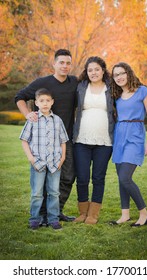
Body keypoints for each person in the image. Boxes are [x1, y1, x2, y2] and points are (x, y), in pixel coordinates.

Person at [15, 49, 78, 224]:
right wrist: (28, 114)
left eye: (68, 63)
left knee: (68, 176)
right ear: (54, 64)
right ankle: (41, 215)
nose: (65, 66)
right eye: (61, 63)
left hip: (66, 139)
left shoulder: (74, 82)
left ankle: (56, 212)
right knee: (42, 177)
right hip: (43, 143)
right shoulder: (42, 82)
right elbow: (20, 97)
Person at [110, 62, 147, 227]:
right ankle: (125, 215)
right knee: (121, 178)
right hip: (119, 136)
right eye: (116, 75)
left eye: (122, 73)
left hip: (135, 136)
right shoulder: (116, 96)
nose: (119, 77)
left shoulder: (142, 91)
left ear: (128, 73)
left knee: (125, 177)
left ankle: (144, 213)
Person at [73, 56, 115, 224]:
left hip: (104, 141)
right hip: (81, 140)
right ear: (86, 72)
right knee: (82, 177)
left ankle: (93, 215)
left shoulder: (111, 88)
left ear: (103, 70)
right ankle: (83, 212)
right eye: (90, 70)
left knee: (98, 177)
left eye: (97, 69)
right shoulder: (80, 87)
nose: (93, 72)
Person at [20, 88, 69, 230]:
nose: (45, 103)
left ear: (52, 102)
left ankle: (53, 219)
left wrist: (63, 157)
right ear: (36, 103)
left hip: (55, 163)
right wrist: (31, 159)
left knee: (54, 192)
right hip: (38, 163)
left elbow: (63, 141)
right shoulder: (33, 119)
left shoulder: (57, 120)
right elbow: (24, 140)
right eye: (42, 101)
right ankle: (35, 219)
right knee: (37, 193)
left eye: (48, 100)